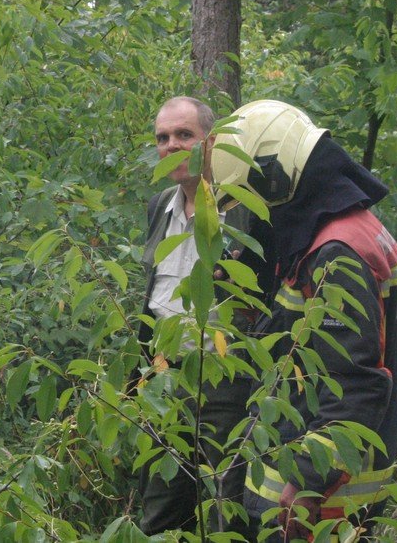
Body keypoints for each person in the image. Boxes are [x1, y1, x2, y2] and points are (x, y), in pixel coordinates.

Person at [211, 100, 397, 542]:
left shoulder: (336, 253)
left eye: (252, 196)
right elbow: (307, 340)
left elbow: (356, 382)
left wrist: (306, 482)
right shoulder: (346, 224)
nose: (255, 212)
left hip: (318, 495)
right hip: (321, 474)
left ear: (273, 176)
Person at [138, 96, 251, 536]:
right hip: (164, 380)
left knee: (229, 510)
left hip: (227, 382)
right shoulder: (159, 205)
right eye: (163, 138)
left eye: (184, 135)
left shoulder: (243, 207)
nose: (171, 146)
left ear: (212, 142)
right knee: (162, 510)